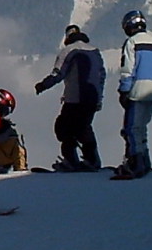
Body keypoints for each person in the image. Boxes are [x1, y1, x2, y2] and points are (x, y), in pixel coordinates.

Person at [34, 25, 106, 171]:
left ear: (67, 37)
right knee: (84, 128)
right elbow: (102, 75)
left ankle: (71, 160)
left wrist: (42, 85)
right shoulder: (95, 51)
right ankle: (92, 159)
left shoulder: (69, 51)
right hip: (92, 97)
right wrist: (99, 98)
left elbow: (58, 74)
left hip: (75, 98)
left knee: (63, 127)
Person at [114, 10, 152, 179]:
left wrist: (124, 91)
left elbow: (128, 69)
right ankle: (145, 162)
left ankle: (135, 163)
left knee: (131, 128)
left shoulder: (132, 42)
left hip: (138, 88)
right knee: (142, 127)